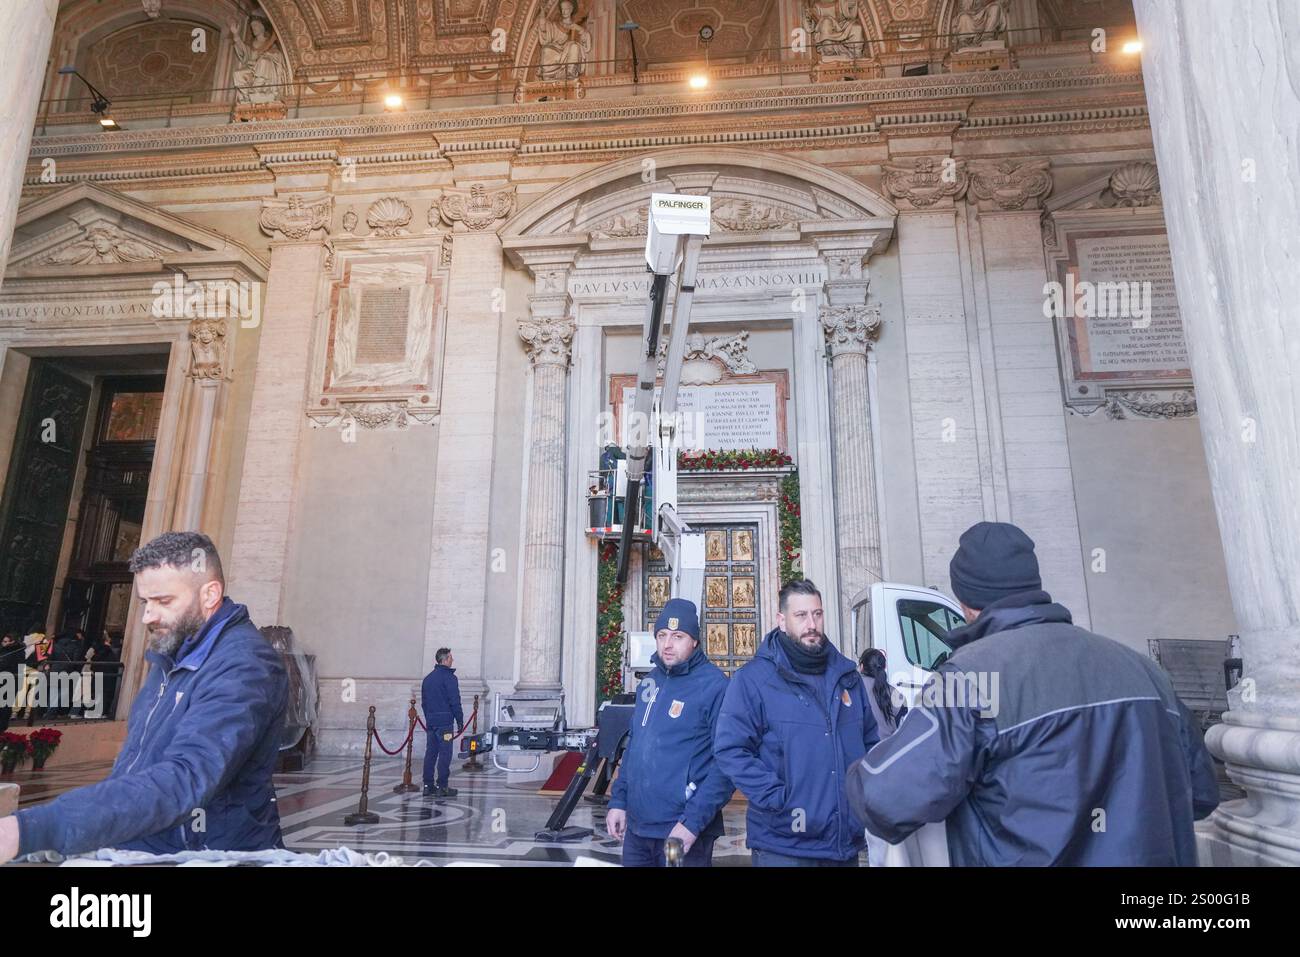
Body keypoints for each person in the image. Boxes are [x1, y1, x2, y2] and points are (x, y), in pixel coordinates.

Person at [848, 521, 1221, 866]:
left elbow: (884, 796)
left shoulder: (969, 679)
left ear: (966, 602)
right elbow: (1201, 795)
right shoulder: (1146, 672)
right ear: (1034, 586)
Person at [0, 531, 289, 863]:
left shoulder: (244, 664)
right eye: (145, 602)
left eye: (164, 601)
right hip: (142, 846)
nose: (147, 617)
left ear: (210, 594)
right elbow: (135, 765)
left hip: (209, 854)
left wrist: (33, 829)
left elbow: (186, 777)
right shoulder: (173, 652)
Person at [714, 579, 880, 866]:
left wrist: (861, 799)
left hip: (842, 843)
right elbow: (731, 749)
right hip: (784, 843)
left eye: (817, 614)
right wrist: (779, 799)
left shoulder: (847, 677)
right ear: (782, 620)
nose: (811, 624)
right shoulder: (754, 680)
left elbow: (870, 743)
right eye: (801, 615)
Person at [606, 598, 733, 866]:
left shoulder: (715, 687)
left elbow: (727, 765)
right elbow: (635, 747)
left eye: (678, 636)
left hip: (680, 830)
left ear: (695, 641)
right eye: (662, 635)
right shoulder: (649, 682)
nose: (667, 644)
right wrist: (619, 801)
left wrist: (691, 823)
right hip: (638, 831)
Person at [421, 648, 463, 798]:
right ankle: (442, 786)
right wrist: (460, 719)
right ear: (444, 660)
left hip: (431, 722)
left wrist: (429, 717)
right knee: (445, 753)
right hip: (445, 724)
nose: (453, 660)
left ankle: (427, 785)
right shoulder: (450, 678)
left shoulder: (427, 679)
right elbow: (455, 701)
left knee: (431, 753)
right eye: (451, 657)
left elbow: (424, 703)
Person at [0, 633, 22, 733]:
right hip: (13, 681)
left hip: (7, 680)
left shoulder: (9, 652)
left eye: (5, 641)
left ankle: (2, 727)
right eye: (2, 641)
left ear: (12, 642)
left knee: (5, 706)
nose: (2, 643)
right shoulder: (20, 651)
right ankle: (3, 726)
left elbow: (4, 665)